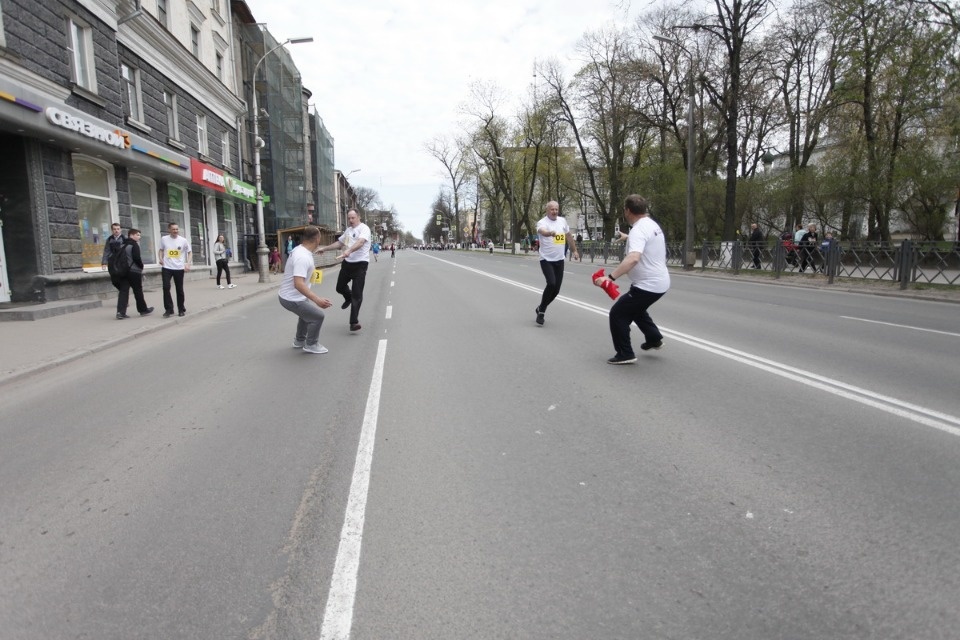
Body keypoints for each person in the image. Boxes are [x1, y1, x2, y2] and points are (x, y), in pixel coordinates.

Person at [593, 194, 670, 365]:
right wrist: (628, 238)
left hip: (648, 285)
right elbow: (647, 242)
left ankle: (625, 353)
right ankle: (654, 338)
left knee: (618, 314)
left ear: (627, 210)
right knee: (636, 309)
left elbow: (633, 258)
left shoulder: (638, 230)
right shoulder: (651, 224)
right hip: (660, 282)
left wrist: (610, 278)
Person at [278, 225, 333, 354]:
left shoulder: (301, 249)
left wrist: (317, 251)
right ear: (317, 239)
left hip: (292, 296)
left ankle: (299, 341)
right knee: (317, 316)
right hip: (291, 298)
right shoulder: (303, 257)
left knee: (306, 315)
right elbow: (298, 284)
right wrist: (317, 300)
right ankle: (311, 344)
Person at [318, 209, 371, 332]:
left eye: (353, 218)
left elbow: (360, 242)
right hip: (347, 264)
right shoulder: (348, 231)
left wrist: (349, 251)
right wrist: (324, 249)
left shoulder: (364, 229)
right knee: (339, 287)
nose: (350, 220)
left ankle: (354, 322)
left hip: (360, 264)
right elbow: (339, 243)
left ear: (358, 217)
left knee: (357, 295)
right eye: (349, 218)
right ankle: (348, 297)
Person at [533, 201, 579, 326]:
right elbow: (542, 231)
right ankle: (541, 312)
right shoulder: (542, 222)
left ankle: (540, 307)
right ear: (547, 210)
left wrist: (574, 250)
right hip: (546, 259)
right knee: (551, 283)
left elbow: (569, 236)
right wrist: (549, 233)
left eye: (556, 209)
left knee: (556, 290)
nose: (554, 212)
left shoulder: (562, 221)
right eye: (552, 209)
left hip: (559, 260)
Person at [115, 228, 153, 319]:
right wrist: (141, 266)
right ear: (131, 235)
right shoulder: (134, 245)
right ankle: (143, 310)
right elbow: (136, 258)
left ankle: (120, 312)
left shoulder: (123, 245)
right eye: (137, 235)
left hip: (123, 271)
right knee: (138, 291)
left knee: (123, 291)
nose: (139, 237)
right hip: (134, 271)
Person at [158, 221, 191, 317]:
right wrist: (160, 258)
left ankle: (181, 309)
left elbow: (189, 252)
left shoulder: (183, 240)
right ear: (169, 230)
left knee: (179, 289)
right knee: (166, 287)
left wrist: (188, 263)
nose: (175, 231)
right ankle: (169, 309)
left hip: (179, 268)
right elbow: (161, 250)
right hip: (167, 267)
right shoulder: (164, 239)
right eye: (173, 229)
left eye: (177, 229)